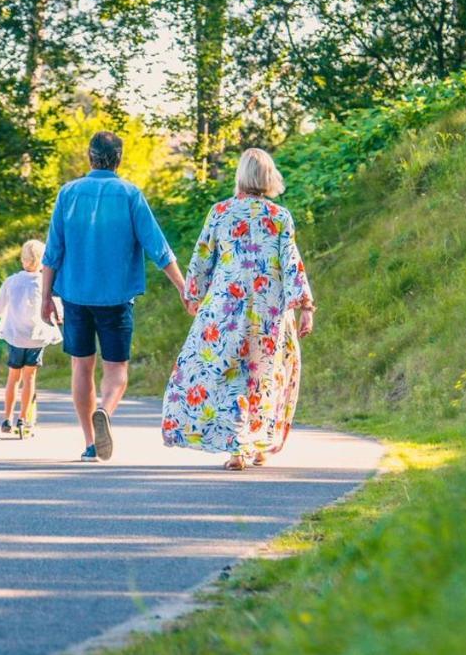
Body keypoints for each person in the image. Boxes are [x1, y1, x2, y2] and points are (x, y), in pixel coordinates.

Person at [41, 130, 191, 462]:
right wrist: (184, 288)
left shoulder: (68, 194)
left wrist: (45, 297)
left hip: (76, 297)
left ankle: (91, 443)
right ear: (118, 159)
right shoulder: (129, 194)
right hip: (117, 298)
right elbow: (159, 248)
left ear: (89, 157)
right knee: (117, 369)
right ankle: (106, 411)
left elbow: (53, 251)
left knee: (81, 367)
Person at [161, 148, 315, 471]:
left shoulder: (220, 213)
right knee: (264, 375)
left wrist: (193, 293)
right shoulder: (279, 217)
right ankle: (256, 444)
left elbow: (202, 258)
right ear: (268, 177)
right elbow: (291, 264)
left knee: (231, 373)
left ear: (240, 175)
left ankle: (240, 448)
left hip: (227, 309)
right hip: (268, 311)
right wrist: (305, 307)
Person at [0, 239, 62, 434]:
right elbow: (57, 310)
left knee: (13, 377)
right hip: (36, 337)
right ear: (43, 261)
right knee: (29, 378)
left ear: (22, 259)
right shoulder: (45, 283)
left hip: (15, 336)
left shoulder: (11, 281)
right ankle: (23, 419)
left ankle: (7, 418)